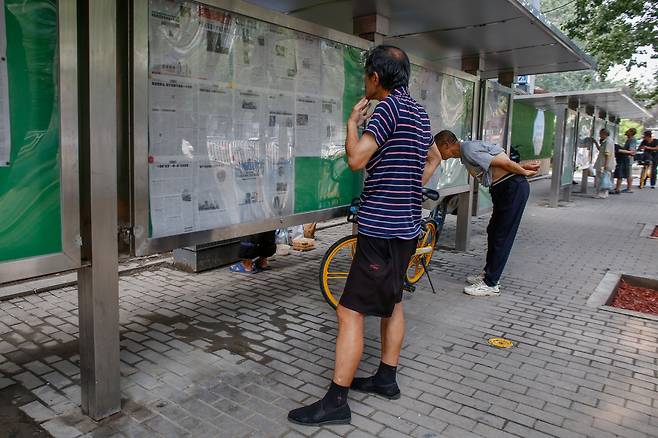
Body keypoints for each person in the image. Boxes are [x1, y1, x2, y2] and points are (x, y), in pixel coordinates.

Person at [287, 45, 441, 426]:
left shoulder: (386, 109)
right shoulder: (420, 114)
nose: (364, 82)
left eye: (365, 75)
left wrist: (353, 122)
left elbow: (356, 159)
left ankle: (337, 401)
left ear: (375, 77)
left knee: (348, 311)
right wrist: (405, 189)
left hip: (380, 231)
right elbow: (433, 159)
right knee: (395, 302)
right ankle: (386, 379)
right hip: (406, 228)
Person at [433, 130, 539, 297]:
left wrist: (524, 172)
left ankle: (491, 283)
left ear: (446, 145)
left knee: (501, 235)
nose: (436, 153)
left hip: (510, 188)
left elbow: (504, 164)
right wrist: (522, 168)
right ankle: (488, 274)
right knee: (494, 231)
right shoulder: (468, 150)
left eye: (438, 149)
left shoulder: (467, 149)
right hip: (506, 187)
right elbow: (502, 162)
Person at [613, 128, 637, 194]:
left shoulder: (632, 140)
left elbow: (631, 151)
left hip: (628, 159)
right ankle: (626, 188)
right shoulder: (629, 139)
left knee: (628, 174)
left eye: (629, 131)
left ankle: (629, 188)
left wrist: (621, 150)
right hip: (626, 158)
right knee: (627, 173)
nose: (626, 131)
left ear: (631, 132)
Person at [593, 129, 616, 199]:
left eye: (600, 134)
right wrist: (596, 143)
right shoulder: (607, 141)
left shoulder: (608, 142)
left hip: (603, 163)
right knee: (605, 178)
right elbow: (601, 149)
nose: (599, 135)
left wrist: (605, 164)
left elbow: (607, 154)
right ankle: (605, 193)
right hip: (604, 163)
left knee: (600, 179)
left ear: (604, 134)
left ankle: (600, 193)